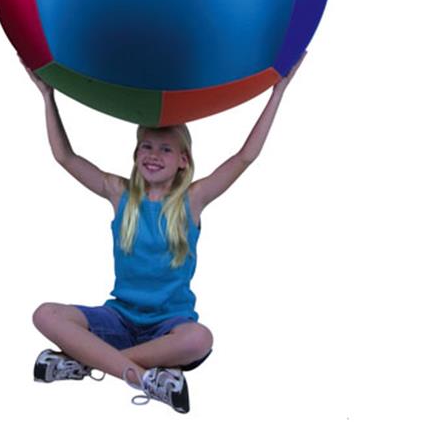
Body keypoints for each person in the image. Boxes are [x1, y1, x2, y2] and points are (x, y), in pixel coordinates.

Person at [26, 54, 305, 413]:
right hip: (119, 318)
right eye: (147, 146)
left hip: (168, 327)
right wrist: (47, 96)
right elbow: (66, 157)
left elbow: (244, 157)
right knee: (45, 314)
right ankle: (145, 377)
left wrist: (278, 92)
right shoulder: (120, 194)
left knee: (199, 339)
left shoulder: (193, 200)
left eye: (165, 149)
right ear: (135, 154)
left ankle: (87, 361)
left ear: (183, 161)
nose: (154, 155)